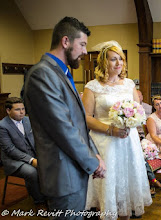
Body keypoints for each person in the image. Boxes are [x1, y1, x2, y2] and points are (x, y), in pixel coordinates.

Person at [23, 17, 106, 219]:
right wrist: (92, 162)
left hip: (73, 169)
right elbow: (63, 129)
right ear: (66, 41)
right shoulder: (41, 75)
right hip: (62, 174)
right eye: (82, 44)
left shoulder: (62, 72)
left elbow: (77, 123)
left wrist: (94, 154)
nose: (86, 51)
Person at [82, 40, 152, 220]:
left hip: (129, 141)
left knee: (127, 184)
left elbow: (139, 110)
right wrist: (110, 130)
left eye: (120, 59)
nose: (119, 63)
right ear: (104, 62)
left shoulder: (129, 84)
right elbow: (86, 118)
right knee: (107, 185)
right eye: (114, 59)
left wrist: (132, 121)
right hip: (105, 142)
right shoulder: (92, 86)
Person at [0, 97, 46, 209]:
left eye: (23, 109)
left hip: (33, 155)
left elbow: (38, 140)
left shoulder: (28, 120)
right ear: (8, 111)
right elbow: (10, 150)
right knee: (31, 172)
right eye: (17, 110)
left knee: (52, 163)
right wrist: (31, 160)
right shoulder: (2, 126)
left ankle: (49, 195)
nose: (22, 112)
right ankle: (39, 202)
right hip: (14, 161)